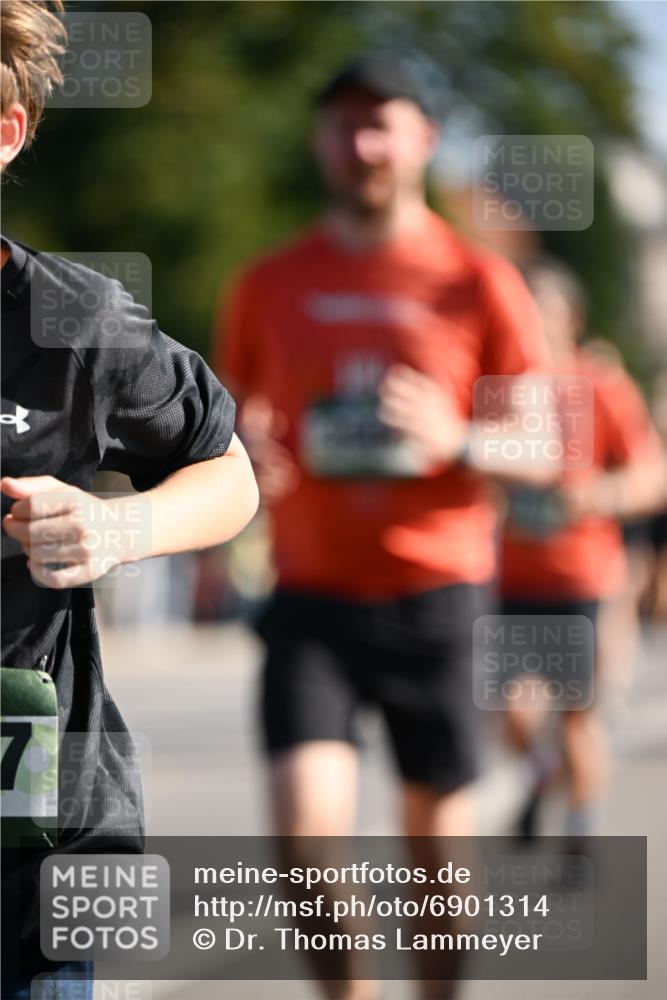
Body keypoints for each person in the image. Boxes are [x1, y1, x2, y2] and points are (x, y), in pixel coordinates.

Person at [214, 51, 552, 1000]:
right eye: (342, 126)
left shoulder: (477, 281)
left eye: (381, 124)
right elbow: (225, 424)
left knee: (435, 857)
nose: (361, 144)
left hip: (435, 593)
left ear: (422, 141)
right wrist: (249, 451)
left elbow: (543, 445)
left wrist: (454, 434)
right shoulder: (266, 280)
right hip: (310, 594)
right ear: (322, 143)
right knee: (302, 842)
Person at [1, 3, 259, 997]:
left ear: (7, 131)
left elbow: (228, 471)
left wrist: (113, 526)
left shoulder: (71, 319)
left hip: (38, 844)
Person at [498, 257, 666, 839]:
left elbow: (651, 476)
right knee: (511, 715)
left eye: (539, 314)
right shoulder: (494, 388)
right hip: (506, 578)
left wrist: (594, 497)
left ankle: (581, 832)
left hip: (579, 578)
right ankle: (542, 773)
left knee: (576, 717)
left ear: (570, 319)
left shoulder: (603, 387)